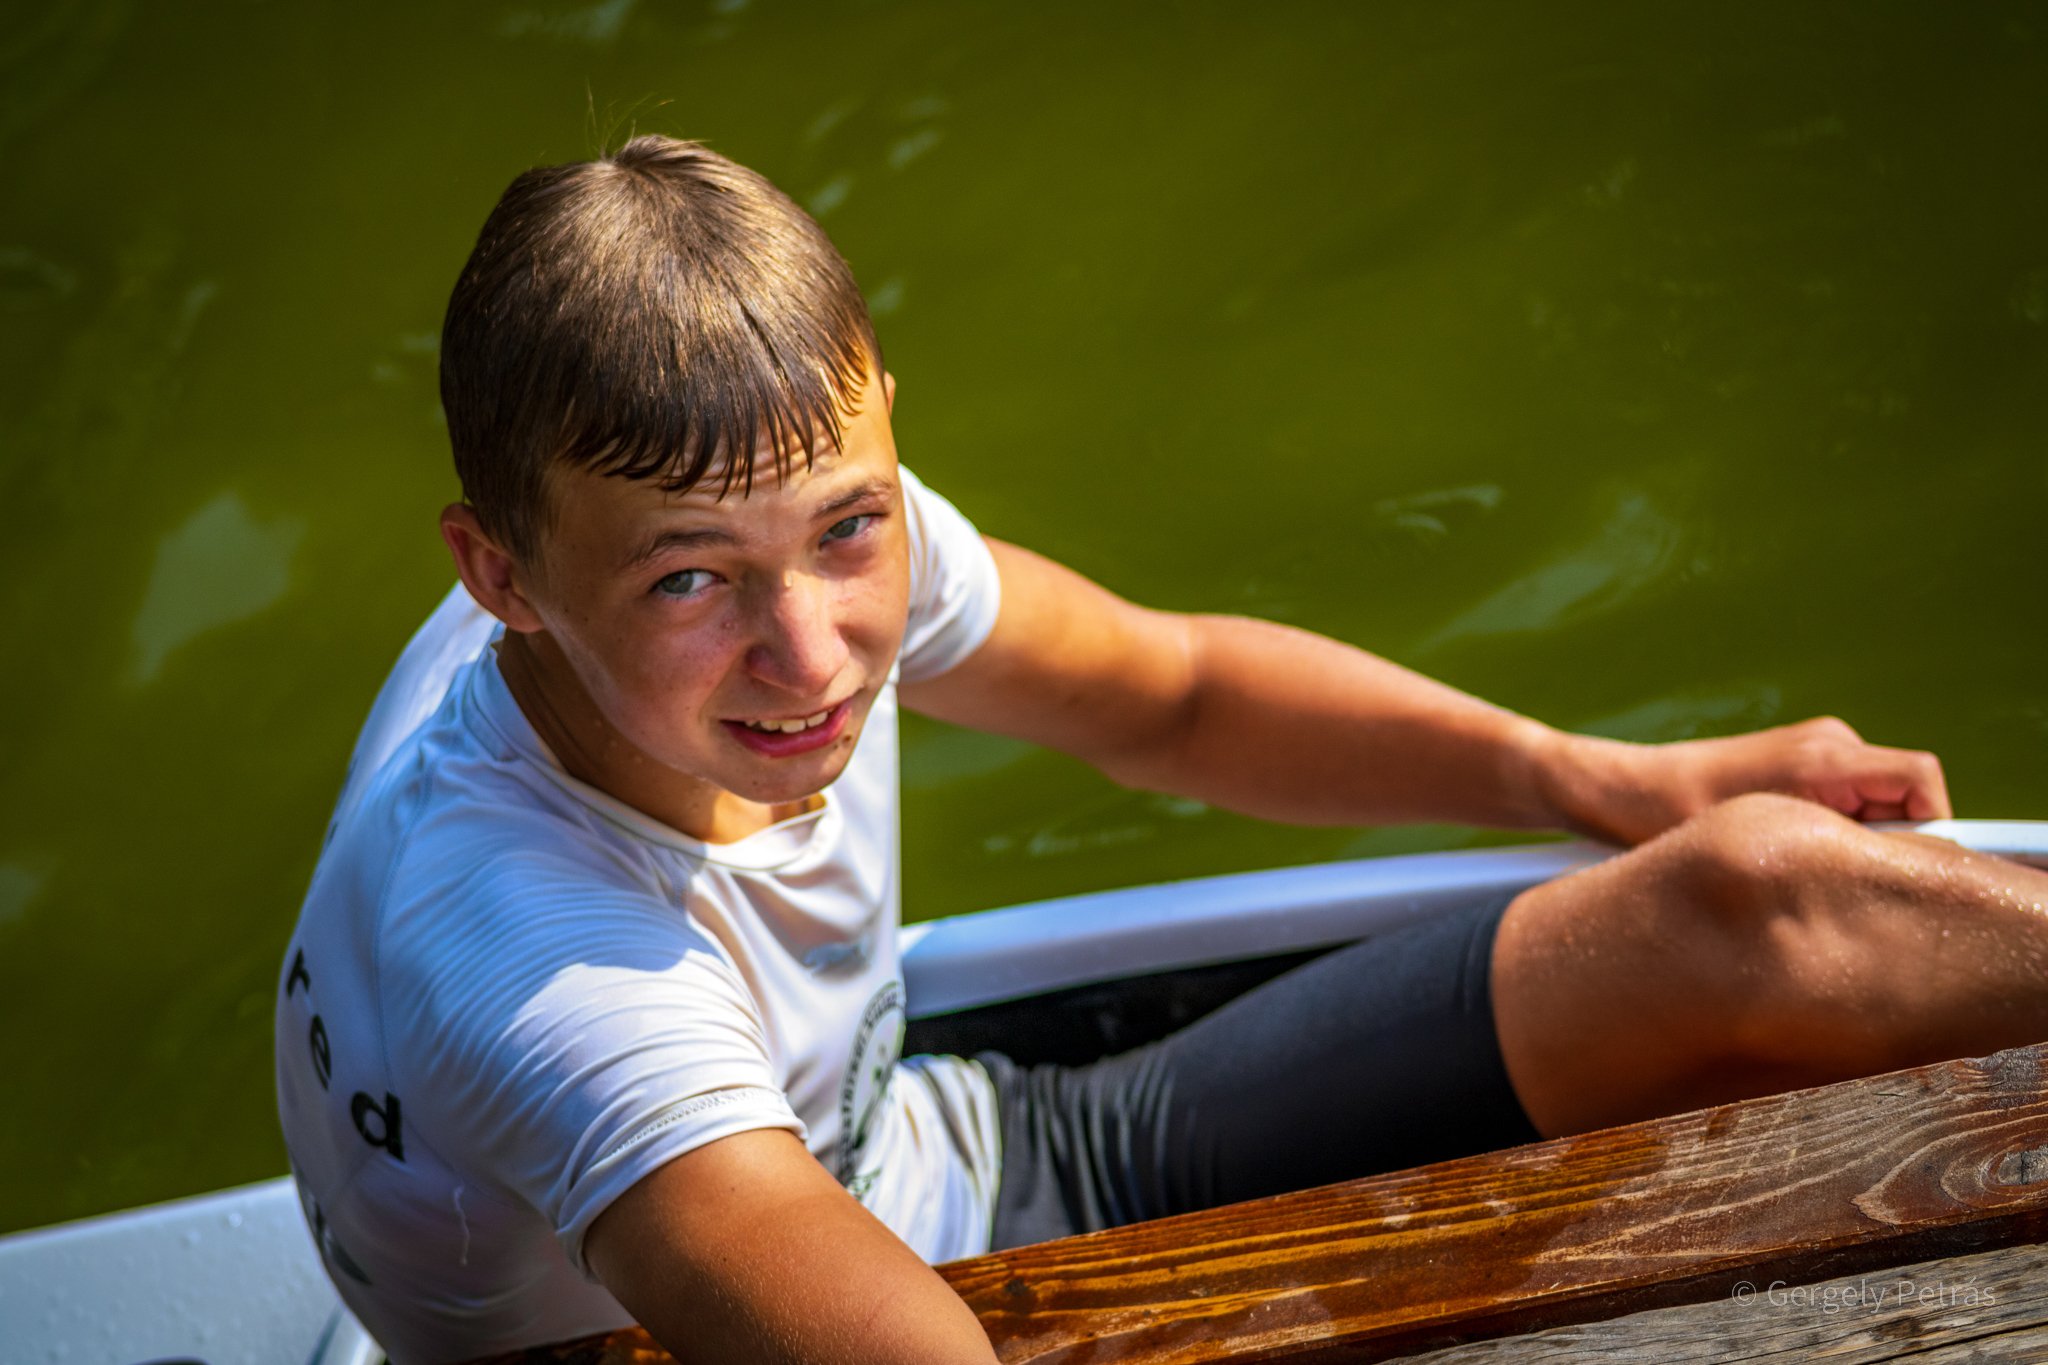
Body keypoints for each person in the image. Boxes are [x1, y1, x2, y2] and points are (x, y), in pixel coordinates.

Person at [275, 135, 2048, 1365]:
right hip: (703, 1319)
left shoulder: (766, 517)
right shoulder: (539, 961)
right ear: (497, 573)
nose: (812, 653)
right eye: (690, 582)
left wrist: (1609, 780)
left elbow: (1176, 692)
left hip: (955, 1151)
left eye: (852, 529)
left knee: (1768, 900)